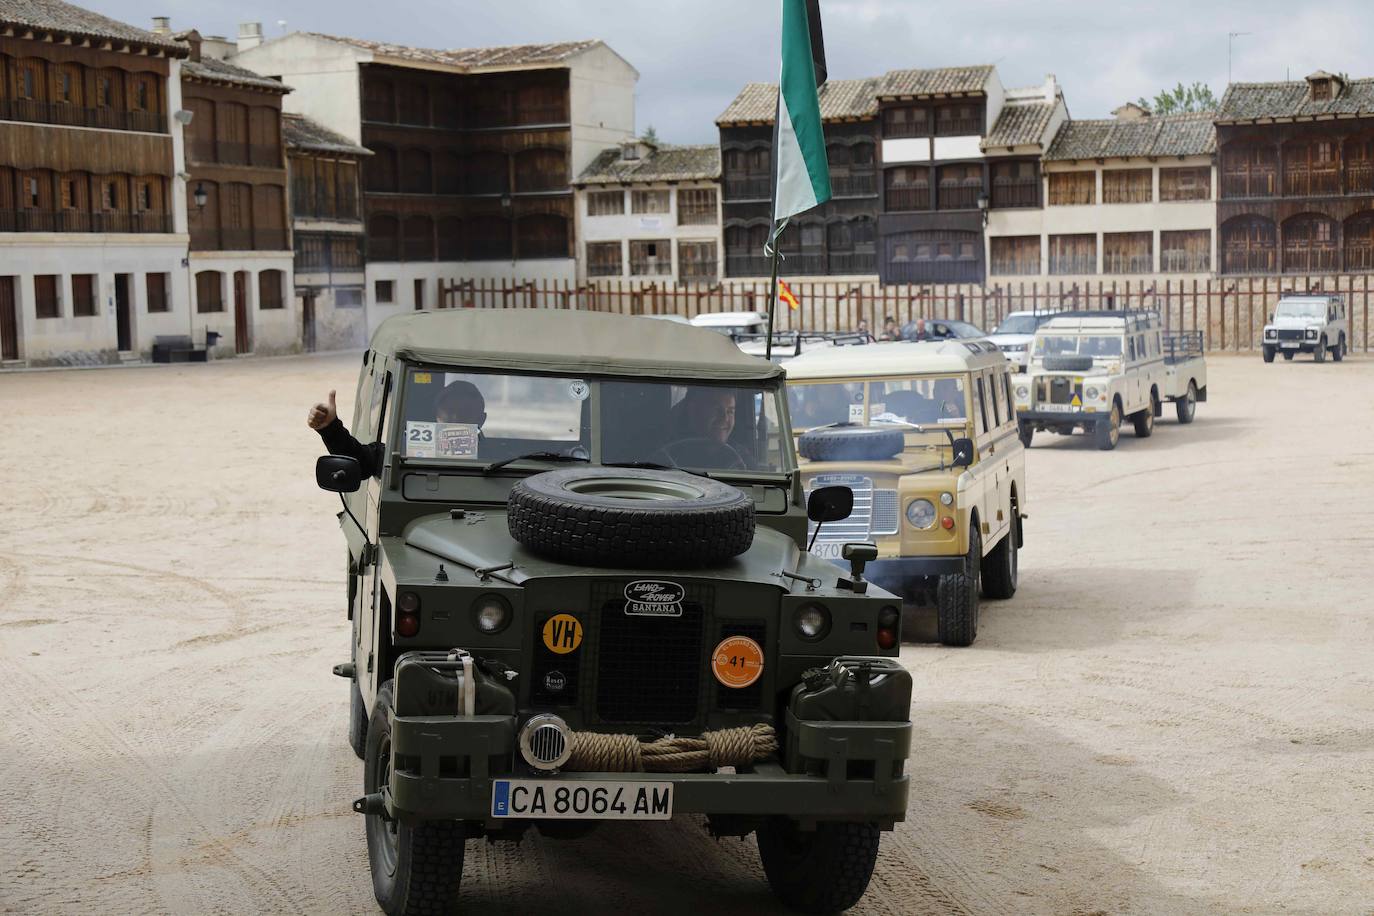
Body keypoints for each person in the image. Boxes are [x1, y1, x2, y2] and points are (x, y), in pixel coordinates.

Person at [308, 379, 487, 476]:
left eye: (464, 414)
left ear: (481, 419)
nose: (454, 421)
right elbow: (361, 460)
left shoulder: (498, 458)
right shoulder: (408, 450)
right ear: (437, 417)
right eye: (448, 413)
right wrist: (331, 428)